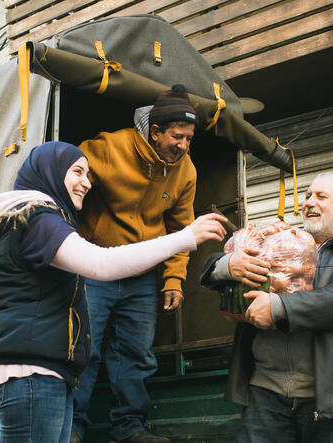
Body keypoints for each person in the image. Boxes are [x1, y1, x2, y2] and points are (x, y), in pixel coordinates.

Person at [0, 141, 226, 443]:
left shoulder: (29, 220)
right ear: (51, 173)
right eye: (77, 172)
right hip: (30, 375)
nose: (87, 182)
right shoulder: (37, 219)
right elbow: (102, 264)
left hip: (39, 373)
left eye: (88, 173)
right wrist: (183, 238)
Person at [201, 172, 333, 443]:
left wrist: (278, 306)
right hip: (265, 392)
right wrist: (228, 266)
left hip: (328, 398)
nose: (309, 202)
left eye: (321, 196)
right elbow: (209, 271)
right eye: (308, 195)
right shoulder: (281, 241)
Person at [71, 84, 199, 443]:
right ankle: (72, 428)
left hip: (142, 275)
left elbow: (181, 229)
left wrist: (174, 278)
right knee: (84, 348)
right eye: (178, 136)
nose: (184, 146)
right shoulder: (109, 148)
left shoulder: (185, 170)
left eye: (189, 138)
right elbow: (68, 183)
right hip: (95, 266)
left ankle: (129, 428)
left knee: (136, 354)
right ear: (155, 132)